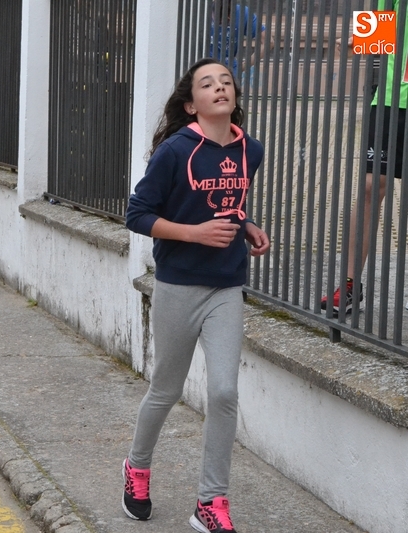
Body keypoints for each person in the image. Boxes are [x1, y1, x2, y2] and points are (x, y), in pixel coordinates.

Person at [123, 58, 270, 533]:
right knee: (166, 389)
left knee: (224, 392)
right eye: (207, 84)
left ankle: (211, 501)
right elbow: (137, 214)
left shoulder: (251, 149)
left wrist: (245, 225)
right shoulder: (174, 151)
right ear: (192, 105)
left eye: (226, 81)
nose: (220, 87)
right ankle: (137, 468)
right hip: (179, 286)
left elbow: (225, 202)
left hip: (226, 286)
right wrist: (194, 233)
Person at [322, 0, 406, 314]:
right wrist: (358, 40)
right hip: (389, 99)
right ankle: (350, 284)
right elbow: (383, 31)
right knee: (370, 187)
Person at [208, 0, 265, 80]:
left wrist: (242, 66)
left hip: (204, 70)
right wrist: (242, 67)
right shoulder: (243, 12)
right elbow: (269, 42)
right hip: (228, 72)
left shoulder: (200, 10)